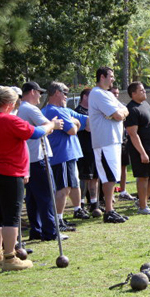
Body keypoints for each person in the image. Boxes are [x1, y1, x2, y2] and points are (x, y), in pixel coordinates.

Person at [0, 87, 58, 270]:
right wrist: (50, 125)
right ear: (12, 104)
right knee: (11, 217)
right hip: (8, 172)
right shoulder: (9, 120)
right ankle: (9, 258)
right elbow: (36, 133)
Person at [17, 81, 67, 241]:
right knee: (47, 195)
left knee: (32, 198)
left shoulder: (20, 109)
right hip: (38, 158)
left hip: (27, 159)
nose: (40, 96)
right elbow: (46, 126)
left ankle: (36, 230)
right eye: (39, 92)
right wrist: (55, 124)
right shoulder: (29, 108)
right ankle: (51, 231)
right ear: (32, 92)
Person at [42, 82, 90, 231]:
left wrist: (74, 121)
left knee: (72, 185)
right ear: (56, 93)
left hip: (69, 155)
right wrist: (75, 123)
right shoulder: (53, 110)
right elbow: (72, 130)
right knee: (63, 189)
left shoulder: (64, 110)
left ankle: (74, 211)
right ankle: (58, 221)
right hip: (60, 155)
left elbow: (86, 120)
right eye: (65, 93)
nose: (66, 96)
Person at [88, 66, 129, 223]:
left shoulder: (107, 94)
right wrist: (120, 113)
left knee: (112, 176)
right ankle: (109, 211)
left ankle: (111, 210)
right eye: (110, 76)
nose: (113, 79)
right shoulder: (97, 93)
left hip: (113, 141)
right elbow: (119, 114)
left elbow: (124, 110)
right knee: (109, 176)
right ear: (102, 77)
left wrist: (120, 113)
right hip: (105, 141)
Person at [124, 82, 150, 215]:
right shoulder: (132, 109)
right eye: (141, 90)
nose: (144, 91)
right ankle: (143, 207)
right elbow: (132, 133)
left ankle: (142, 201)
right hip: (142, 149)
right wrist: (142, 153)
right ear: (133, 94)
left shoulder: (145, 104)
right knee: (143, 177)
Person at [75, 88, 103, 217]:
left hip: (95, 148)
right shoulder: (77, 112)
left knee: (95, 178)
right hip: (83, 150)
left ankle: (94, 204)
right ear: (85, 97)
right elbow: (89, 128)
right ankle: (80, 205)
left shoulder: (94, 111)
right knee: (84, 178)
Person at [109, 86, 135, 201]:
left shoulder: (122, 105)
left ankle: (123, 191)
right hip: (111, 141)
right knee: (111, 168)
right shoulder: (106, 106)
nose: (116, 95)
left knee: (123, 166)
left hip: (123, 140)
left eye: (117, 93)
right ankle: (110, 193)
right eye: (114, 93)